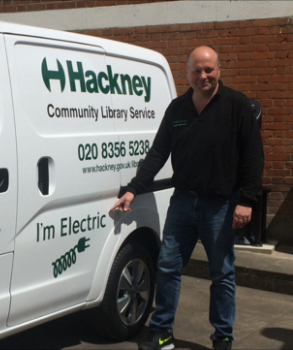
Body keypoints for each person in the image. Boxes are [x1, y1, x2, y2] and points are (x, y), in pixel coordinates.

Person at [110, 46, 264, 350]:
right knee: (167, 268)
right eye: (197, 70)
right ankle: (162, 331)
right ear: (187, 74)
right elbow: (157, 154)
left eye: (209, 69)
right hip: (183, 203)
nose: (203, 75)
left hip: (221, 205)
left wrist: (247, 199)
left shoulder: (237, 105)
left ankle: (223, 337)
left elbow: (253, 157)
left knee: (222, 274)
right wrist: (133, 188)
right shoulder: (177, 109)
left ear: (219, 70)